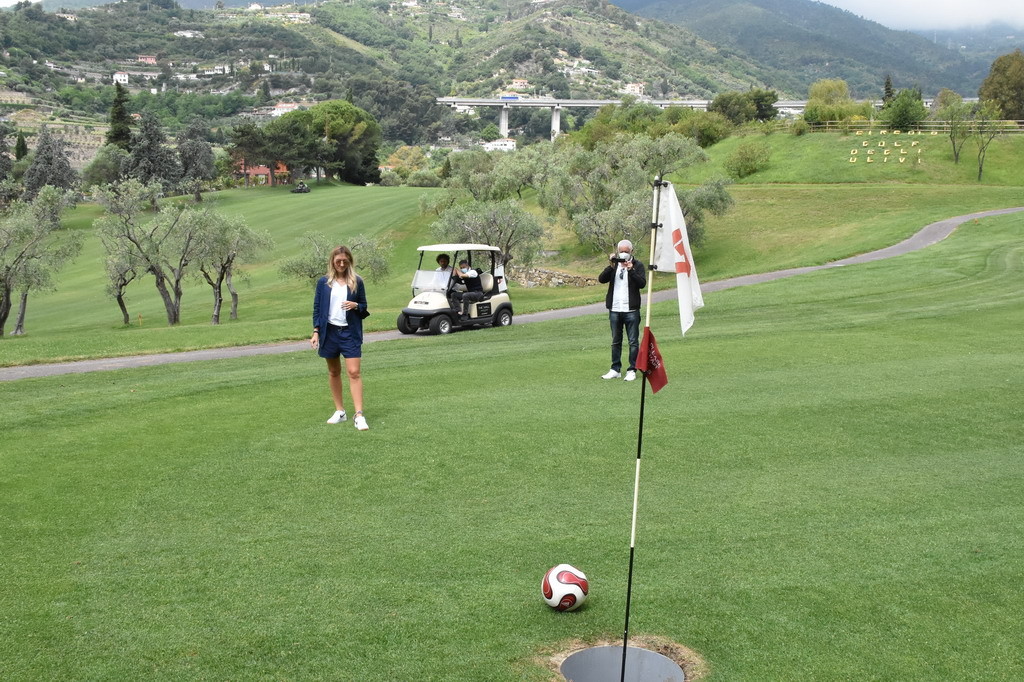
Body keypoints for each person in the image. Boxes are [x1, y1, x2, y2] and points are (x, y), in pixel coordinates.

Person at [311, 245, 370, 430]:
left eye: (345, 261)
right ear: (332, 262)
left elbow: (364, 307)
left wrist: (356, 305)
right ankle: (340, 411)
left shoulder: (357, 281)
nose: (342, 264)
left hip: (349, 333)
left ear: (349, 261)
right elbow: (317, 308)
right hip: (329, 332)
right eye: (338, 261)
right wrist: (316, 331)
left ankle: (359, 415)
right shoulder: (324, 283)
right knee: (334, 372)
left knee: (354, 372)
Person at [597, 239, 647, 381]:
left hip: (631, 309)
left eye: (626, 251)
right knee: (615, 340)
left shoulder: (637, 265)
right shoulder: (614, 265)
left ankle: (632, 369)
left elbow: (642, 283)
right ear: (618, 251)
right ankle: (615, 369)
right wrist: (611, 265)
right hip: (615, 309)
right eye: (621, 251)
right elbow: (602, 279)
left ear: (631, 251)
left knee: (633, 341)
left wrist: (631, 270)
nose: (624, 253)